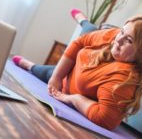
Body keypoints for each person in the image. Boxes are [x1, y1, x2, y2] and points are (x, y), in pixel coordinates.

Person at [12, 14, 142, 130]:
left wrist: (74, 98)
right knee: (88, 30)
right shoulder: (114, 35)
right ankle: (83, 20)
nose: (118, 40)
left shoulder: (125, 78)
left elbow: (105, 119)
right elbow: (79, 42)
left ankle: (30, 65)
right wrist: (57, 76)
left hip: (77, 79)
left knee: (41, 71)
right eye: (122, 32)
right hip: (81, 62)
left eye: (129, 40)